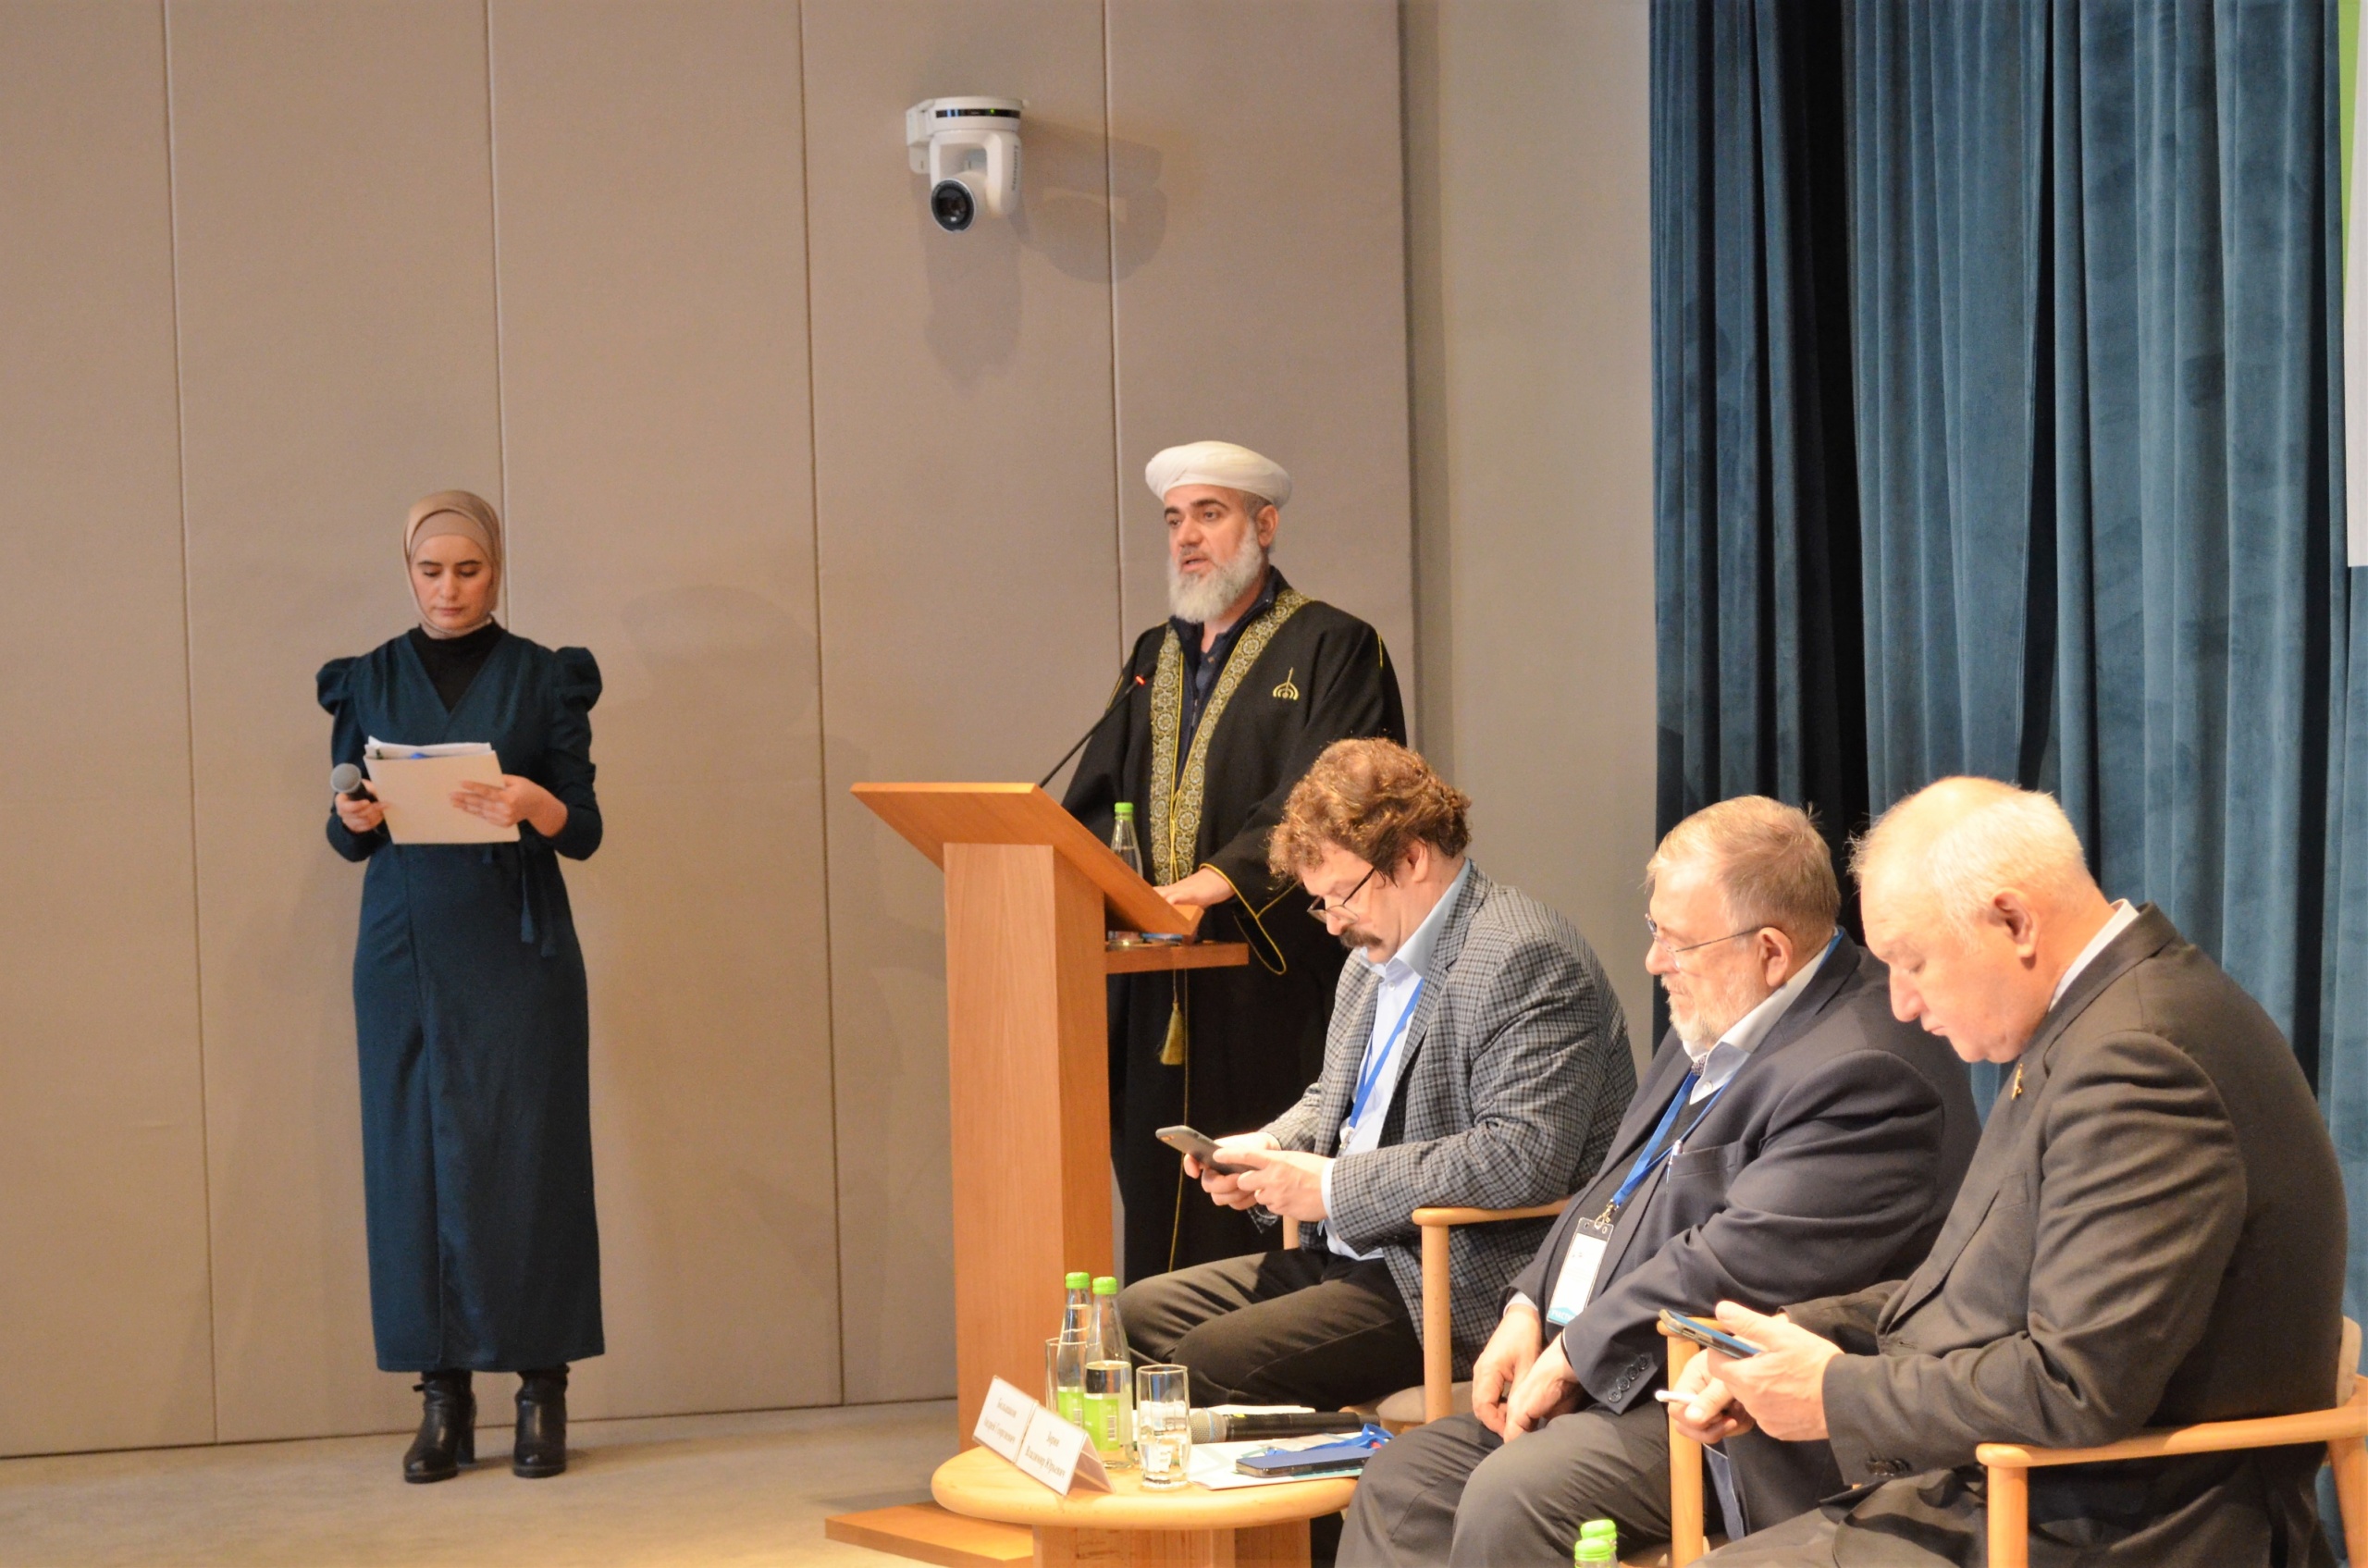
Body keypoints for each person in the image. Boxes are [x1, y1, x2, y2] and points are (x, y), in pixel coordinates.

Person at [1679, 777, 2346, 1568]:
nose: (1901, 1003)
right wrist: (1805, 1335)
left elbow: (2075, 1384)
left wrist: (1831, 1393)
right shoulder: (2097, 1025)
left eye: (1913, 962)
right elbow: (1987, 1293)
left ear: (2015, 921)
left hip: (2117, 1528)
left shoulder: (2138, 1060)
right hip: (2028, 1498)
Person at [1340, 796, 1979, 1566]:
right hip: (1625, 1363)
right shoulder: (1719, 1005)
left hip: (1734, 1404)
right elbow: (1613, 1181)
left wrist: (1575, 1351)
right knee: (1405, 1480)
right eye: (1654, 930)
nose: (1653, 961)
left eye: (1676, 941)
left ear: (1770, 951)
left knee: (1516, 1491)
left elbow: (1735, 1263)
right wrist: (1528, 1302)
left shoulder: (1868, 1069)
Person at [1116, 738, 1632, 1414]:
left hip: (1463, 1274)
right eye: (1321, 903)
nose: (1333, 925)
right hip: (1361, 1251)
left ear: (1411, 858)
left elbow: (1520, 1158)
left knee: (1212, 1363)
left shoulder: (1524, 956)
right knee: (1137, 1318)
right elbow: (1335, 1098)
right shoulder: (1370, 960)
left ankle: (1329, 1490)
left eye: (1341, 896)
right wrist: (1270, 1148)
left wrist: (1329, 1186)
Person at [1064, 440, 1407, 1279]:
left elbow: (1329, 793)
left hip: (1269, 988)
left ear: (1265, 525)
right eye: (1174, 520)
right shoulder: (1153, 658)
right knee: (1157, 1219)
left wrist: (1211, 885)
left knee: (1258, 1216)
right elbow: (1096, 802)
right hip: (1154, 991)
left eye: (1209, 515)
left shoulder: (1335, 645)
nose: (1187, 536)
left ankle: (1266, 1356)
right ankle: (1161, 1354)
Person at [317, 491, 606, 1484]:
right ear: (408, 571)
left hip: (518, 950)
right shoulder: (366, 679)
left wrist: (538, 803)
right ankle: (442, 1400)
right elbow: (345, 832)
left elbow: (586, 830)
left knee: (530, 1159)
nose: (448, 589)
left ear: (496, 569)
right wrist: (352, 818)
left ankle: (541, 1392)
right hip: (403, 951)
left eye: (468, 570)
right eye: (430, 570)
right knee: (414, 1164)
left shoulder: (545, 676)